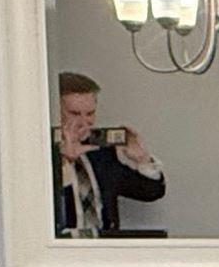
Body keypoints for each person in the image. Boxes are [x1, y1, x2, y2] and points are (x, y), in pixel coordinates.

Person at [53, 71, 166, 238]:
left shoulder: (101, 153)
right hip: (59, 249)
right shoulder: (39, 153)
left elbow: (151, 192)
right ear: (56, 112)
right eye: (75, 113)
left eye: (90, 113)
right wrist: (64, 162)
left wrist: (142, 159)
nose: (84, 122)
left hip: (104, 247)